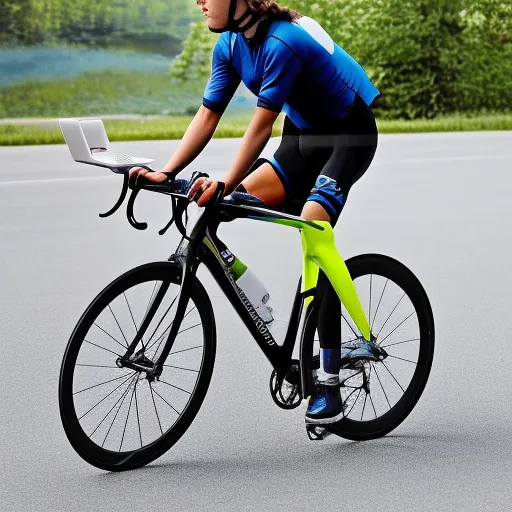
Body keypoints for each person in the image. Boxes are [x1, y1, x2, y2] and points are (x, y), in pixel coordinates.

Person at [130, 0, 381, 424]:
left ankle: (331, 382)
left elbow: (260, 126)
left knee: (314, 224)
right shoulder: (229, 44)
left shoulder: (283, 43)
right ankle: (258, 302)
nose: (200, 2)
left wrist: (224, 180)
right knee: (225, 207)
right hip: (301, 138)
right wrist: (166, 171)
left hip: (347, 137)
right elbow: (209, 113)